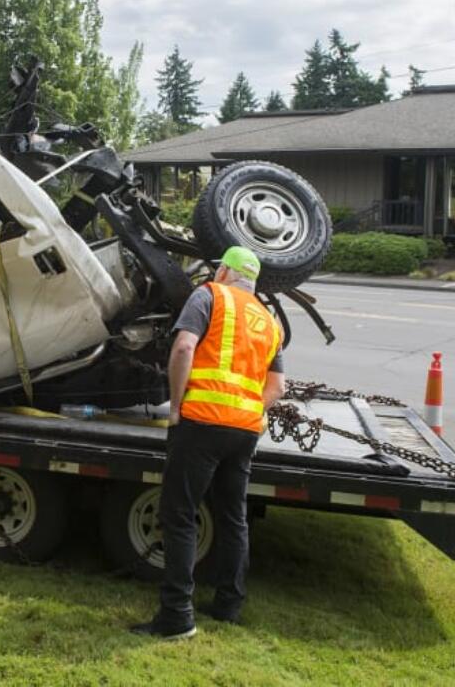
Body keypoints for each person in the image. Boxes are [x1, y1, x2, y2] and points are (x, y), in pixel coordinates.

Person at [132, 246, 284, 640]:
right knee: (234, 516)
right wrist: (249, 409)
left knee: (180, 515)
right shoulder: (268, 320)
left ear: (222, 272)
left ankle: (176, 616)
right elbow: (278, 386)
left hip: (200, 422)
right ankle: (229, 605)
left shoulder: (209, 296)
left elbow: (183, 348)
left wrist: (177, 405)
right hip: (245, 431)